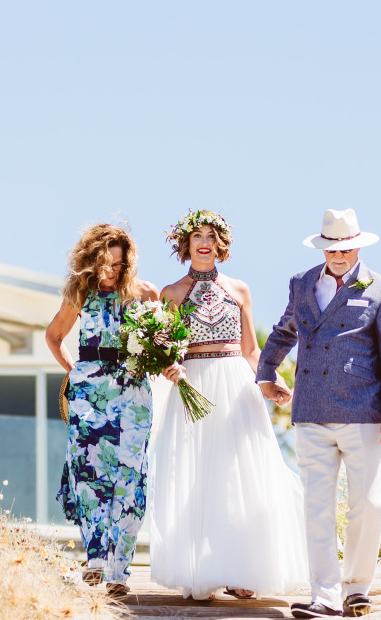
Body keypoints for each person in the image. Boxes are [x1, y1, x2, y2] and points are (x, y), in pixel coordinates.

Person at [148, 210, 309, 600]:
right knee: (195, 473)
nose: (204, 242)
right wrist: (169, 365)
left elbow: (252, 350)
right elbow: (165, 351)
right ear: (185, 244)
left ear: (221, 244)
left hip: (236, 385)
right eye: (197, 236)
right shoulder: (170, 293)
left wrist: (271, 379)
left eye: (211, 236)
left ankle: (240, 570)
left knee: (238, 475)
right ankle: (201, 571)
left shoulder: (239, 289)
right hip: (193, 386)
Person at [256, 208, 381, 620]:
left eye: (345, 249)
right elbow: (285, 330)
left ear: (358, 247)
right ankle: (324, 594)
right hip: (310, 410)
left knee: (370, 503)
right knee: (317, 507)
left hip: (364, 411)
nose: (338, 256)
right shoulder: (301, 283)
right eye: (331, 249)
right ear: (322, 248)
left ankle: (357, 588)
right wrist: (266, 371)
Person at [46, 223, 158, 597]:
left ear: (128, 263)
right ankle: (96, 559)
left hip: (133, 393)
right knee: (89, 473)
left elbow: (161, 340)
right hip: (89, 394)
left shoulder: (144, 293)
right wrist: (75, 372)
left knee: (129, 476)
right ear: (91, 260)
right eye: (104, 263)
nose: (111, 271)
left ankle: (118, 572)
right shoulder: (80, 293)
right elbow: (54, 336)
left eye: (118, 264)